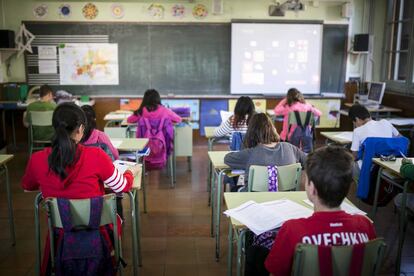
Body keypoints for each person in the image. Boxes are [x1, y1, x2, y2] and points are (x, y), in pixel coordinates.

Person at [21, 102, 141, 274]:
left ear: (55, 128)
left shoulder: (37, 159)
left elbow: (27, 185)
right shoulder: (96, 155)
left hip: (60, 235)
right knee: (117, 219)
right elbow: (120, 186)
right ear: (81, 129)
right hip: (98, 233)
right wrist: (130, 173)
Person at [263, 146, 376, 276]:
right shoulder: (364, 225)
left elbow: (276, 273)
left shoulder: (292, 229)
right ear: (347, 188)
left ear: (312, 188)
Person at [224, 113, 306, 190]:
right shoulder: (290, 148)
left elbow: (227, 159)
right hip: (286, 198)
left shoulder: (251, 153)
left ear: (251, 132)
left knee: (235, 187)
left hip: (253, 198)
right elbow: (308, 159)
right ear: (273, 129)